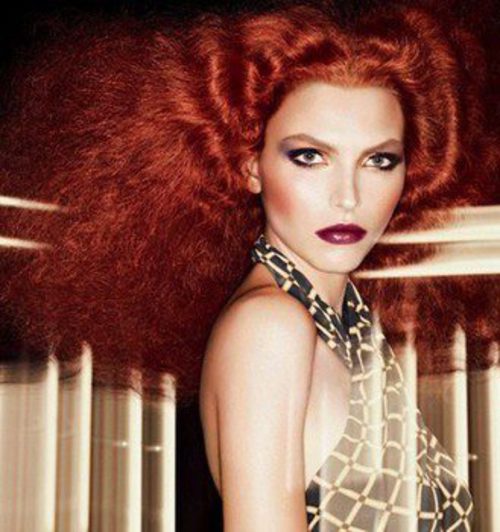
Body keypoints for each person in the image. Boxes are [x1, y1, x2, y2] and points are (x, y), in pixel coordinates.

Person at [0, 1, 496, 530]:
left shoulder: (343, 321)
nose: (348, 197)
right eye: (310, 156)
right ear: (249, 164)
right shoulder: (270, 328)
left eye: (379, 160)